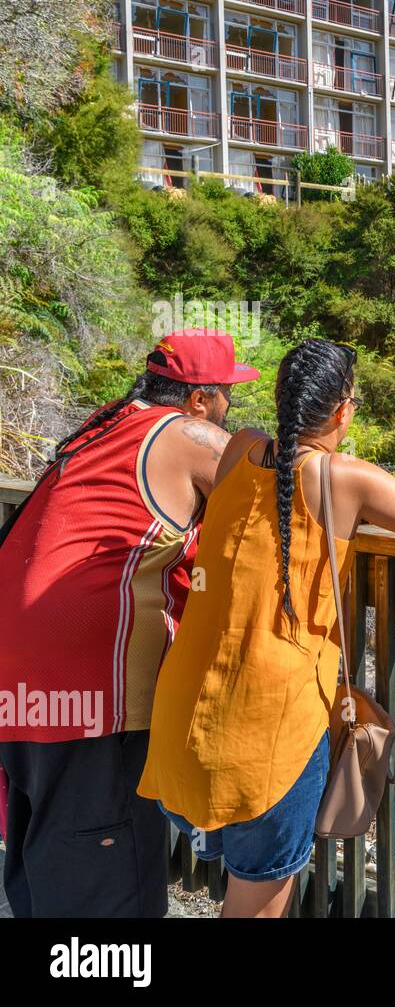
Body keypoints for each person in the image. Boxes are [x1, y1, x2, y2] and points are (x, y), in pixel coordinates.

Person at [137, 339, 395, 918]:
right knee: (259, 901)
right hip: (271, 729)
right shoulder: (346, 479)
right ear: (343, 410)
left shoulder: (239, 448)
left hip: (185, 712)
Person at [0, 331, 260, 917]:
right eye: (224, 395)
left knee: (49, 845)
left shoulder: (103, 426)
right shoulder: (186, 435)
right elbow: (283, 495)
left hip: (21, 676)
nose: (228, 408)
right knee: (108, 876)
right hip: (89, 688)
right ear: (198, 400)